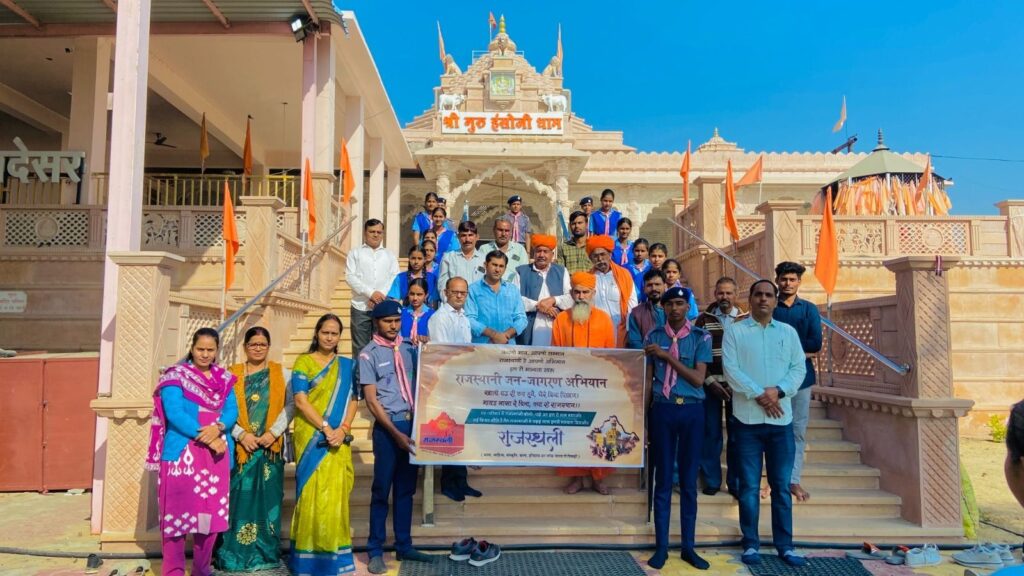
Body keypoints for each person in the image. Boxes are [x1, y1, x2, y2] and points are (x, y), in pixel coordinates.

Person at [723, 280, 808, 567]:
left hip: (780, 422)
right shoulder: (735, 332)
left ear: (775, 300)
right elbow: (731, 370)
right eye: (758, 294)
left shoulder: (788, 332)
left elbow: (798, 369)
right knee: (748, 487)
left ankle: (785, 546)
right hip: (746, 421)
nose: (763, 299)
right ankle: (750, 544)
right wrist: (761, 394)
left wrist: (778, 391)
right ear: (749, 298)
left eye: (768, 295)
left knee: (781, 487)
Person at [146, 327, 239, 576]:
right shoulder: (175, 376)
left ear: (217, 351)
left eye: (210, 350)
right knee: (175, 516)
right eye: (200, 349)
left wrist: (218, 428)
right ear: (192, 348)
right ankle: (173, 571)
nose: (205, 354)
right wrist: (207, 436)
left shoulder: (224, 379)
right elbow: (175, 413)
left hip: (215, 456)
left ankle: (201, 568)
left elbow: (232, 411)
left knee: (210, 517)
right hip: (182, 455)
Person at [360, 300, 433, 574]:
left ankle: (404, 545)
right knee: (381, 490)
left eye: (396, 320)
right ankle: (375, 549)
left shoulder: (410, 348)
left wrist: (428, 347)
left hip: (412, 425)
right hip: (388, 428)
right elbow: (371, 400)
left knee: (406, 490)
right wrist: (395, 433)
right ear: (376, 322)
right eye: (387, 321)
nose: (393, 326)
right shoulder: (368, 354)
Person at [643, 286, 713, 570]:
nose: (674, 308)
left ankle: (688, 547)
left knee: (688, 481)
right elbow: (648, 378)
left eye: (680, 304)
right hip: (663, 408)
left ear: (688, 307)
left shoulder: (701, 337)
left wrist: (667, 356)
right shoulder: (653, 336)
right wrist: (644, 418)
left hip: (692, 410)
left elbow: (698, 379)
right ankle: (661, 547)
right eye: (669, 304)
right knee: (662, 480)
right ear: (663, 308)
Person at [215, 327, 294, 572]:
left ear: (268, 347)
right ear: (245, 347)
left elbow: (291, 405)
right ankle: (234, 554)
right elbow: (222, 409)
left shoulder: (282, 374)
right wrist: (241, 434)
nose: (258, 348)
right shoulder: (231, 375)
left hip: (270, 449)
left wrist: (273, 433)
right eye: (253, 344)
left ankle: (266, 552)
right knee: (239, 499)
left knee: (269, 500)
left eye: (262, 344)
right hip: (241, 450)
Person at [288, 314, 359, 575]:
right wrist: (327, 428)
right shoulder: (303, 362)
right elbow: (300, 401)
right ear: (316, 333)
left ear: (340, 337)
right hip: (311, 435)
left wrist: (344, 429)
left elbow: (354, 399)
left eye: (334, 333)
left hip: (338, 437)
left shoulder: (347, 366)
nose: (329, 337)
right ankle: (307, 559)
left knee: (335, 496)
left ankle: (334, 557)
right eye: (325, 332)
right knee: (311, 494)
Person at [552, 272, 617, 495]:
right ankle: (577, 478)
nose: (581, 296)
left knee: (600, 430)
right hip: (569, 388)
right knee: (573, 433)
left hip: (597, 388)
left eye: (585, 292)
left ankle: (599, 478)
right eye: (577, 292)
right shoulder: (561, 319)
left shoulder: (604, 319)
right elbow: (556, 353)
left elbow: (610, 356)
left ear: (593, 293)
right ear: (571, 293)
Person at [427, 277, 483, 502]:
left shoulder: (463, 318)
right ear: (446, 292)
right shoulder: (439, 318)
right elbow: (442, 352)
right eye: (455, 292)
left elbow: (467, 349)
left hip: (463, 382)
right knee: (448, 433)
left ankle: (462, 481)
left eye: (463, 293)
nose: (459, 296)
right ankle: (448, 484)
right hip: (446, 382)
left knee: (462, 431)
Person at [772, 261, 822, 503]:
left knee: (797, 430)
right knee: (773, 429)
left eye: (792, 279)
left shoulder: (809, 309)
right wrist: (800, 353)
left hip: (802, 379)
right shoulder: (770, 307)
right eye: (784, 279)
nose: (788, 283)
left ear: (799, 282)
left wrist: (786, 352)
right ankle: (772, 480)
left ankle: (792, 479)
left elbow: (816, 343)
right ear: (777, 281)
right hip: (772, 379)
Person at [695, 277, 746, 498]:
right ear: (715, 294)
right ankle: (712, 480)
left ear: (736, 294)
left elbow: (751, 355)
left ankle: (735, 483)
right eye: (721, 293)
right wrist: (709, 381)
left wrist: (738, 383)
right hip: (710, 386)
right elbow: (696, 353)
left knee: (737, 435)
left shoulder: (746, 319)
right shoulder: (704, 320)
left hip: (739, 388)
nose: (724, 297)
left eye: (729, 293)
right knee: (711, 433)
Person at [346, 219, 399, 394]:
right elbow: (350, 277)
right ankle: (360, 390)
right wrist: (370, 293)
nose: (376, 235)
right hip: (360, 307)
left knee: (382, 347)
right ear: (365, 233)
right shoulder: (355, 253)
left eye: (379, 232)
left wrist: (379, 296)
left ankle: (382, 388)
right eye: (372, 232)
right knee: (360, 348)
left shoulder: (389, 255)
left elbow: (394, 277)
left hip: (382, 310)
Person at [516, 234, 572, 346]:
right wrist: (538, 306)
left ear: (552, 254)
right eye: (538, 251)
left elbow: (570, 298)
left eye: (545, 251)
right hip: (530, 324)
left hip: (556, 323)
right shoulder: (521, 271)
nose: (541, 255)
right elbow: (515, 299)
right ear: (533, 253)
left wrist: (554, 300)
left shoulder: (562, 271)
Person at [465, 250, 527, 344]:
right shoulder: (473, 289)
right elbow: (469, 319)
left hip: (507, 345)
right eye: (494, 265)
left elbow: (522, 319)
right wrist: (493, 335)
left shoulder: (513, 290)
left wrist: (506, 335)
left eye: (501, 266)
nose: (497, 269)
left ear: (505, 268)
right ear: (485, 265)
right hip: (482, 346)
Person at [586, 234, 637, 347]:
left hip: (620, 331)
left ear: (610, 254)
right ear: (590, 258)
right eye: (595, 256)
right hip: (595, 330)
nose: (600, 259)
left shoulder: (624, 275)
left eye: (603, 254)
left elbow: (632, 304)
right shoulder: (587, 278)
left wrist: (630, 330)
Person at [438, 220, 485, 301]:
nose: (467, 239)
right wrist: (449, 304)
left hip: (478, 305)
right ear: (458, 237)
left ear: (477, 237)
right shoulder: (448, 258)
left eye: (470, 235)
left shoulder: (484, 259)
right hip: (455, 305)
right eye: (463, 235)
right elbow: (442, 285)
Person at [626, 268, 667, 350]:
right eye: (649, 285)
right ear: (644, 289)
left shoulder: (674, 310)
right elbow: (635, 343)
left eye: (657, 284)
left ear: (665, 286)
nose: (654, 288)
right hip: (647, 356)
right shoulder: (636, 313)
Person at [480, 216, 529, 283]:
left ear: (511, 232)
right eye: (500, 230)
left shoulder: (520, 249)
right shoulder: (484, 249)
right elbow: (481, 273)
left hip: (513, 288)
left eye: (507, 231)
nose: (503, 234)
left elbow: (524, 273)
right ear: (494, 230)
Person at [400, 278, 434, 344]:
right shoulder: (401, 314)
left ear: (426, 295)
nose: (415, 298)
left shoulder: (433, 315)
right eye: (412, 294)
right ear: (408, 294)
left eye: (419, 294)